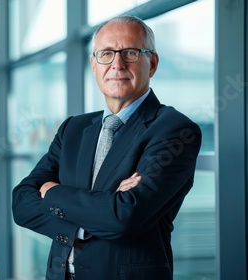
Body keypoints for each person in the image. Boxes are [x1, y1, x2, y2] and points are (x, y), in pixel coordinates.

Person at [12, 15, 202, 280]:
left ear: (153, 63)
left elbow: (124, 216)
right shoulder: (73, 129)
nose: (117, 64)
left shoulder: (175, 130)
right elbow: (21, 202)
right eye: (106, 54)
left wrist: (52, 192)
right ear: (93, 65)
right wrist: (98, 213)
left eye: (130, 53)